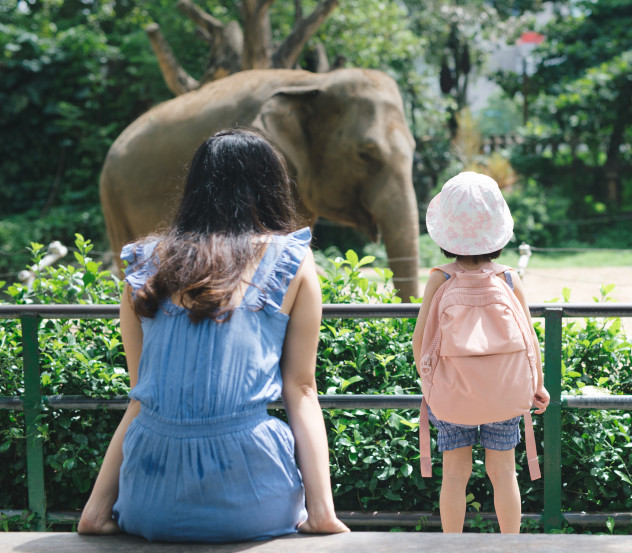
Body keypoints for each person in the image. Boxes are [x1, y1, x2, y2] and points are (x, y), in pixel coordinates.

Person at [78, 128, 349, 542]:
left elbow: (142, 396)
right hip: (253, 499)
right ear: (270, 186)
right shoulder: (290, 258)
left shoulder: (144, 264)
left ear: (196, 188)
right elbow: (302, 389)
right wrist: (322, 514)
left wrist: (95, 512)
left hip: (150, 499)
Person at [412, 171, 550, 534]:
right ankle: (510, 545)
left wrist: (430, 388)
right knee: (504, 473)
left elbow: (421, 341)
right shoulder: (507, 278)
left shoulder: (440, 278)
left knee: (455, 475)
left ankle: (453, 546)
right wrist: (538, 383)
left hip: (452, 393)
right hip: (505, 392)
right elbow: (530, 339)